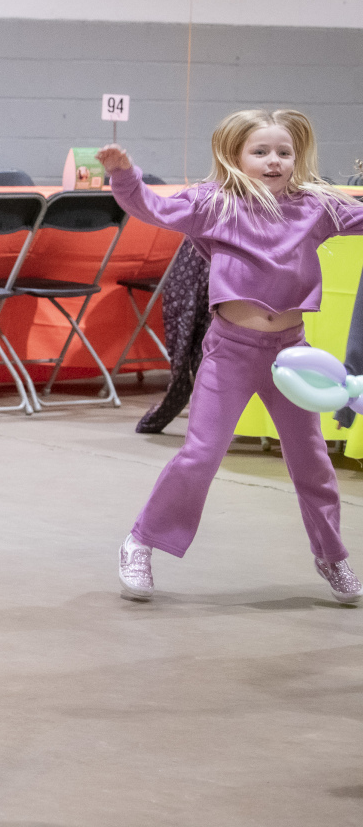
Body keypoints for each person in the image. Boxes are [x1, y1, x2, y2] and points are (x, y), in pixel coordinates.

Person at [100, 109, 363, 604]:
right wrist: (124, 174)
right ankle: (141, 541)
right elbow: (151, 208)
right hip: (230, 352)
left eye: (284, 152)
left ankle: (332, 555)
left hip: (293, 357)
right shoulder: (215, 203)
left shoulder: (316, 207)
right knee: (200, 454)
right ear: (235, 156)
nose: (273, 161)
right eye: (260, 152)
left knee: (312, 461)